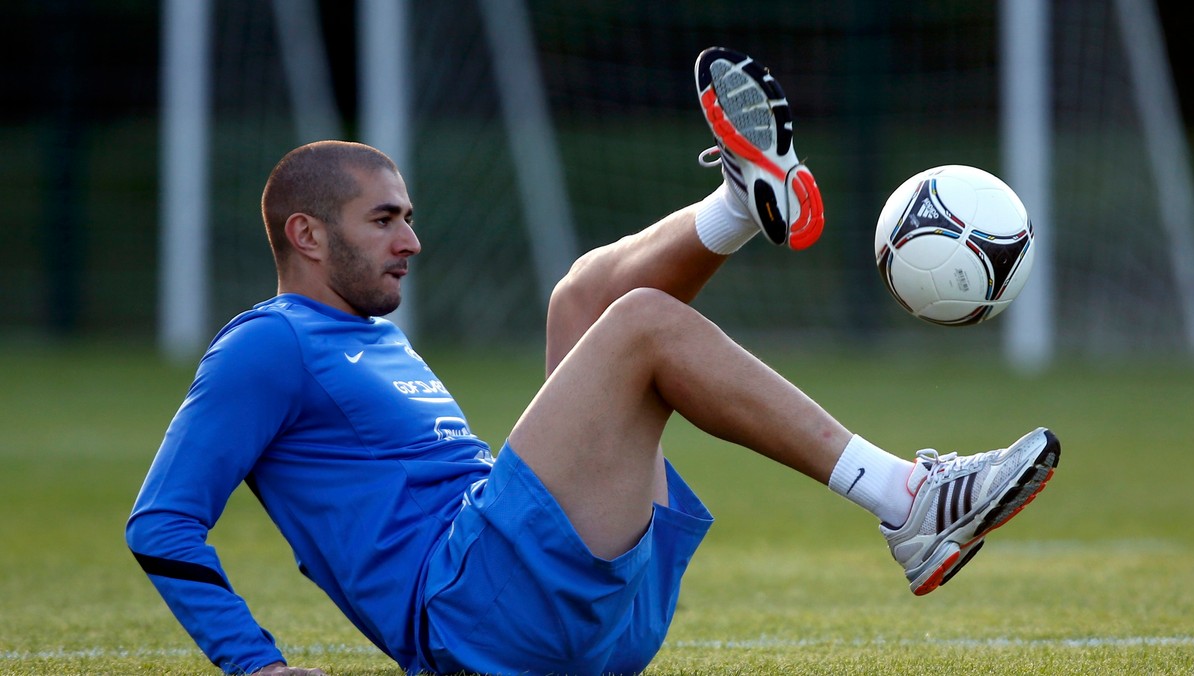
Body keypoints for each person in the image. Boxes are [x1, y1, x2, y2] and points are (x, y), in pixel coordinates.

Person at [126, 47, 1060, 675]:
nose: (412, 239)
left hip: (545, 598)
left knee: (579, 299)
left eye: (408, 215)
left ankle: (736, 206)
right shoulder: (266, 345)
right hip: (476, 617)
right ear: (306, 234)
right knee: (642, 324)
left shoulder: (369, 338)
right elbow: (161, 525)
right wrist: (261, 669)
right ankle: (909, 503)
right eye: (385, 220)